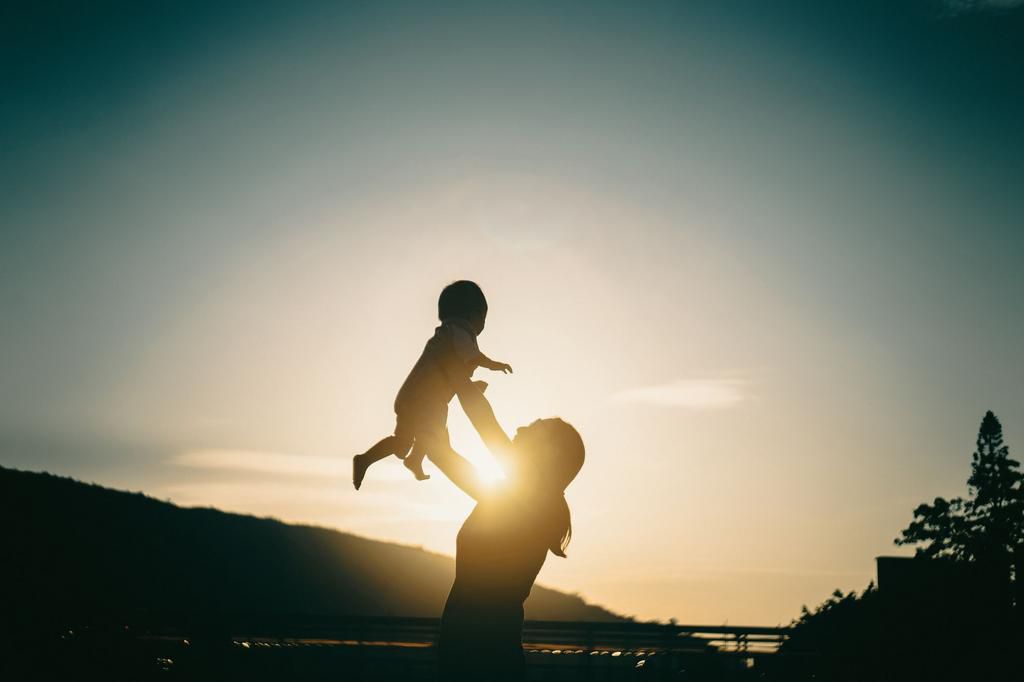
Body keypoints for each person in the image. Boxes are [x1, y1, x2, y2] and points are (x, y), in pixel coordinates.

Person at [424, 385, 585, 682]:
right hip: (474, 653)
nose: (521, 427)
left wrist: (456, 381)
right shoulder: (522, 498)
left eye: (534, 430)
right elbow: (458, 448)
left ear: (546, 455)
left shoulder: (529, 501)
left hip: (481, 657)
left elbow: (483, 430)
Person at [352, 280, 512, 490]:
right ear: (473, 314)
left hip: (413, 397)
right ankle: (414, 459)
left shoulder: (446, 335)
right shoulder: (458, 331)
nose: (484, 323)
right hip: (426, 400)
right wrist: (493, 365)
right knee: (432, 435)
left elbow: (450, 374)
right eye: (483, 316)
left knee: (401, 443)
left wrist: (471, 386)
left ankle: (367, 459)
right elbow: (470, 360)